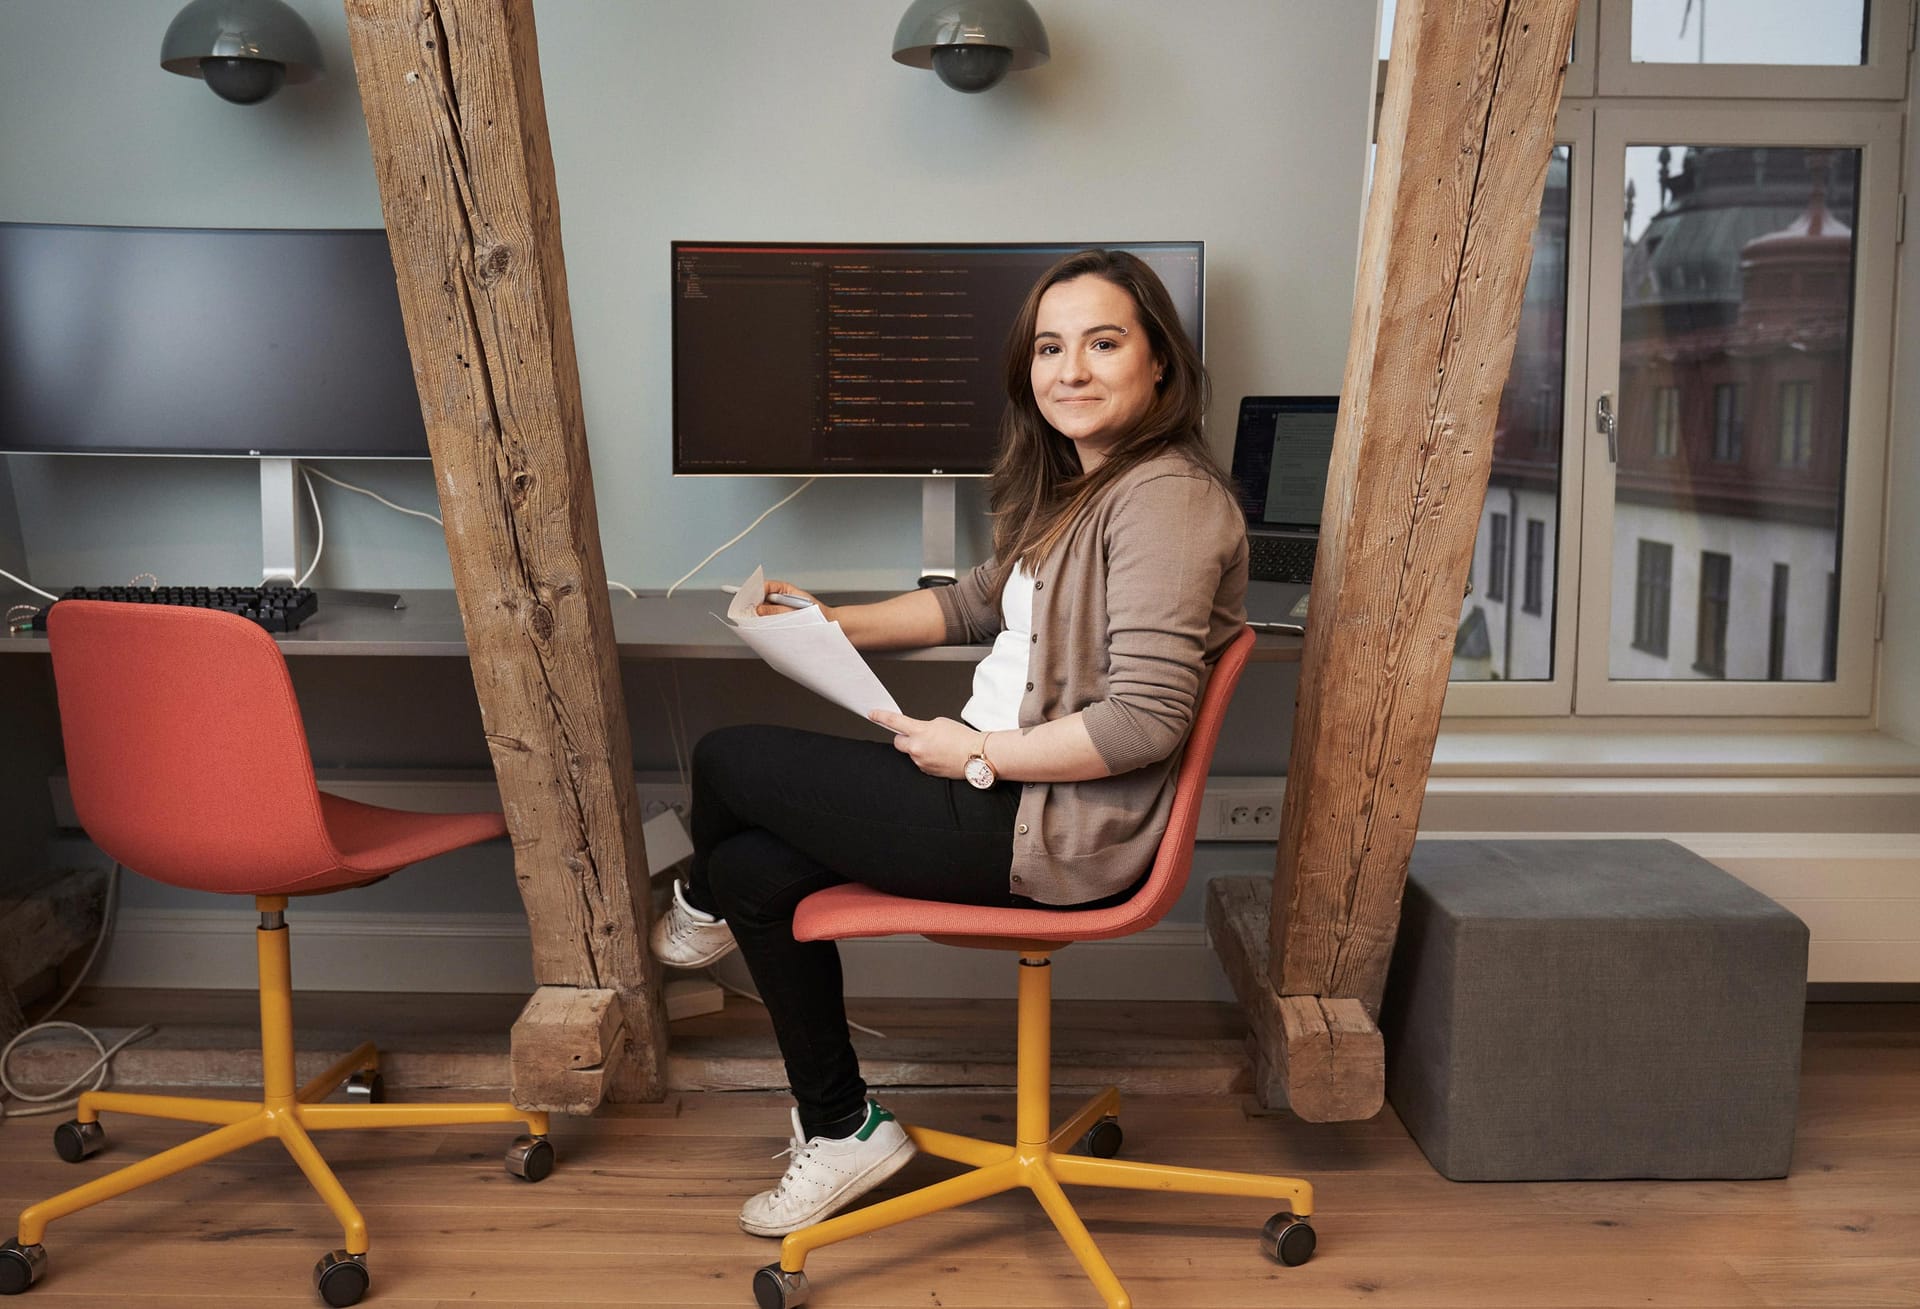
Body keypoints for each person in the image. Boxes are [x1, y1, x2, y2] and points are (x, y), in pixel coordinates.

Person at [650, 248, 1249, 1238]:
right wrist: (823, 621)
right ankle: (844, 1127)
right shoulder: (1079, 490)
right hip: (988, 790)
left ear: (1159, 367)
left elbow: (1146, 720)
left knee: (726, 760)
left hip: (1032, 820)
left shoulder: (1167, 502)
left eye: (1104, 343)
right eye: (1051, 348)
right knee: (757, 864)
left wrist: (973, 756)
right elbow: (972, 605)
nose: (1073, 369)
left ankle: (697, 903)